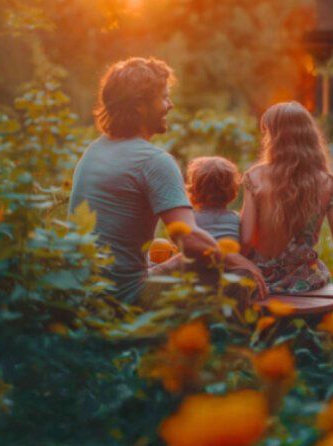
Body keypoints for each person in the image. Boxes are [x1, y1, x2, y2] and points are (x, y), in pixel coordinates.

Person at [69, 57, 266, 302]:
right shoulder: (153, 161)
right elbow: (191, 240)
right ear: (140, 106)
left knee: (162, 247)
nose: (170, 105)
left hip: (83, 292)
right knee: (238, 273)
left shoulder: (94, 150)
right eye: (163, 97)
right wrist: (238, 259)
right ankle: (226, 336)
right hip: (125, 297)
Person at [240, 101, 333, 294]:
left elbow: (245, 240)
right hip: (304, 282)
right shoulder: (328, 183)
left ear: (274, 138)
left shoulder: (255, 177)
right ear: (309, 136)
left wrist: (239, 273)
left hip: (260, 281)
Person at [186, 156, 242, 242]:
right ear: (233, 189)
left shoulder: (189, 219)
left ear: (194, 189)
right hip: (230, 255)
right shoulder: (238, 220)